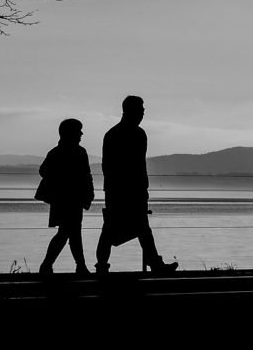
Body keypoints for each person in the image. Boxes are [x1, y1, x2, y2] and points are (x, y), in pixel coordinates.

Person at [94, 95, 178, 274]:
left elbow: (134, 165)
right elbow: (116, 166)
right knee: (119, 228)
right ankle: (152, 263)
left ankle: (104, 265)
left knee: (129, 228)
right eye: (140, 110)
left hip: (126, 189)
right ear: (131, 111)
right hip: (123, 190)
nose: (143, 113)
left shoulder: (119, 134)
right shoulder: (128, 134)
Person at [37, 118, 95, 275]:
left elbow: (43, 171)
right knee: (69, 232)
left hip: (66, 199)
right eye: (79, 131)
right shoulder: (77, 152)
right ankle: (73, 266)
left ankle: (70, 265)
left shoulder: (58, 152)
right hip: (68, 199)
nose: (81, 133)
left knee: (70, 232)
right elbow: (86, 175)